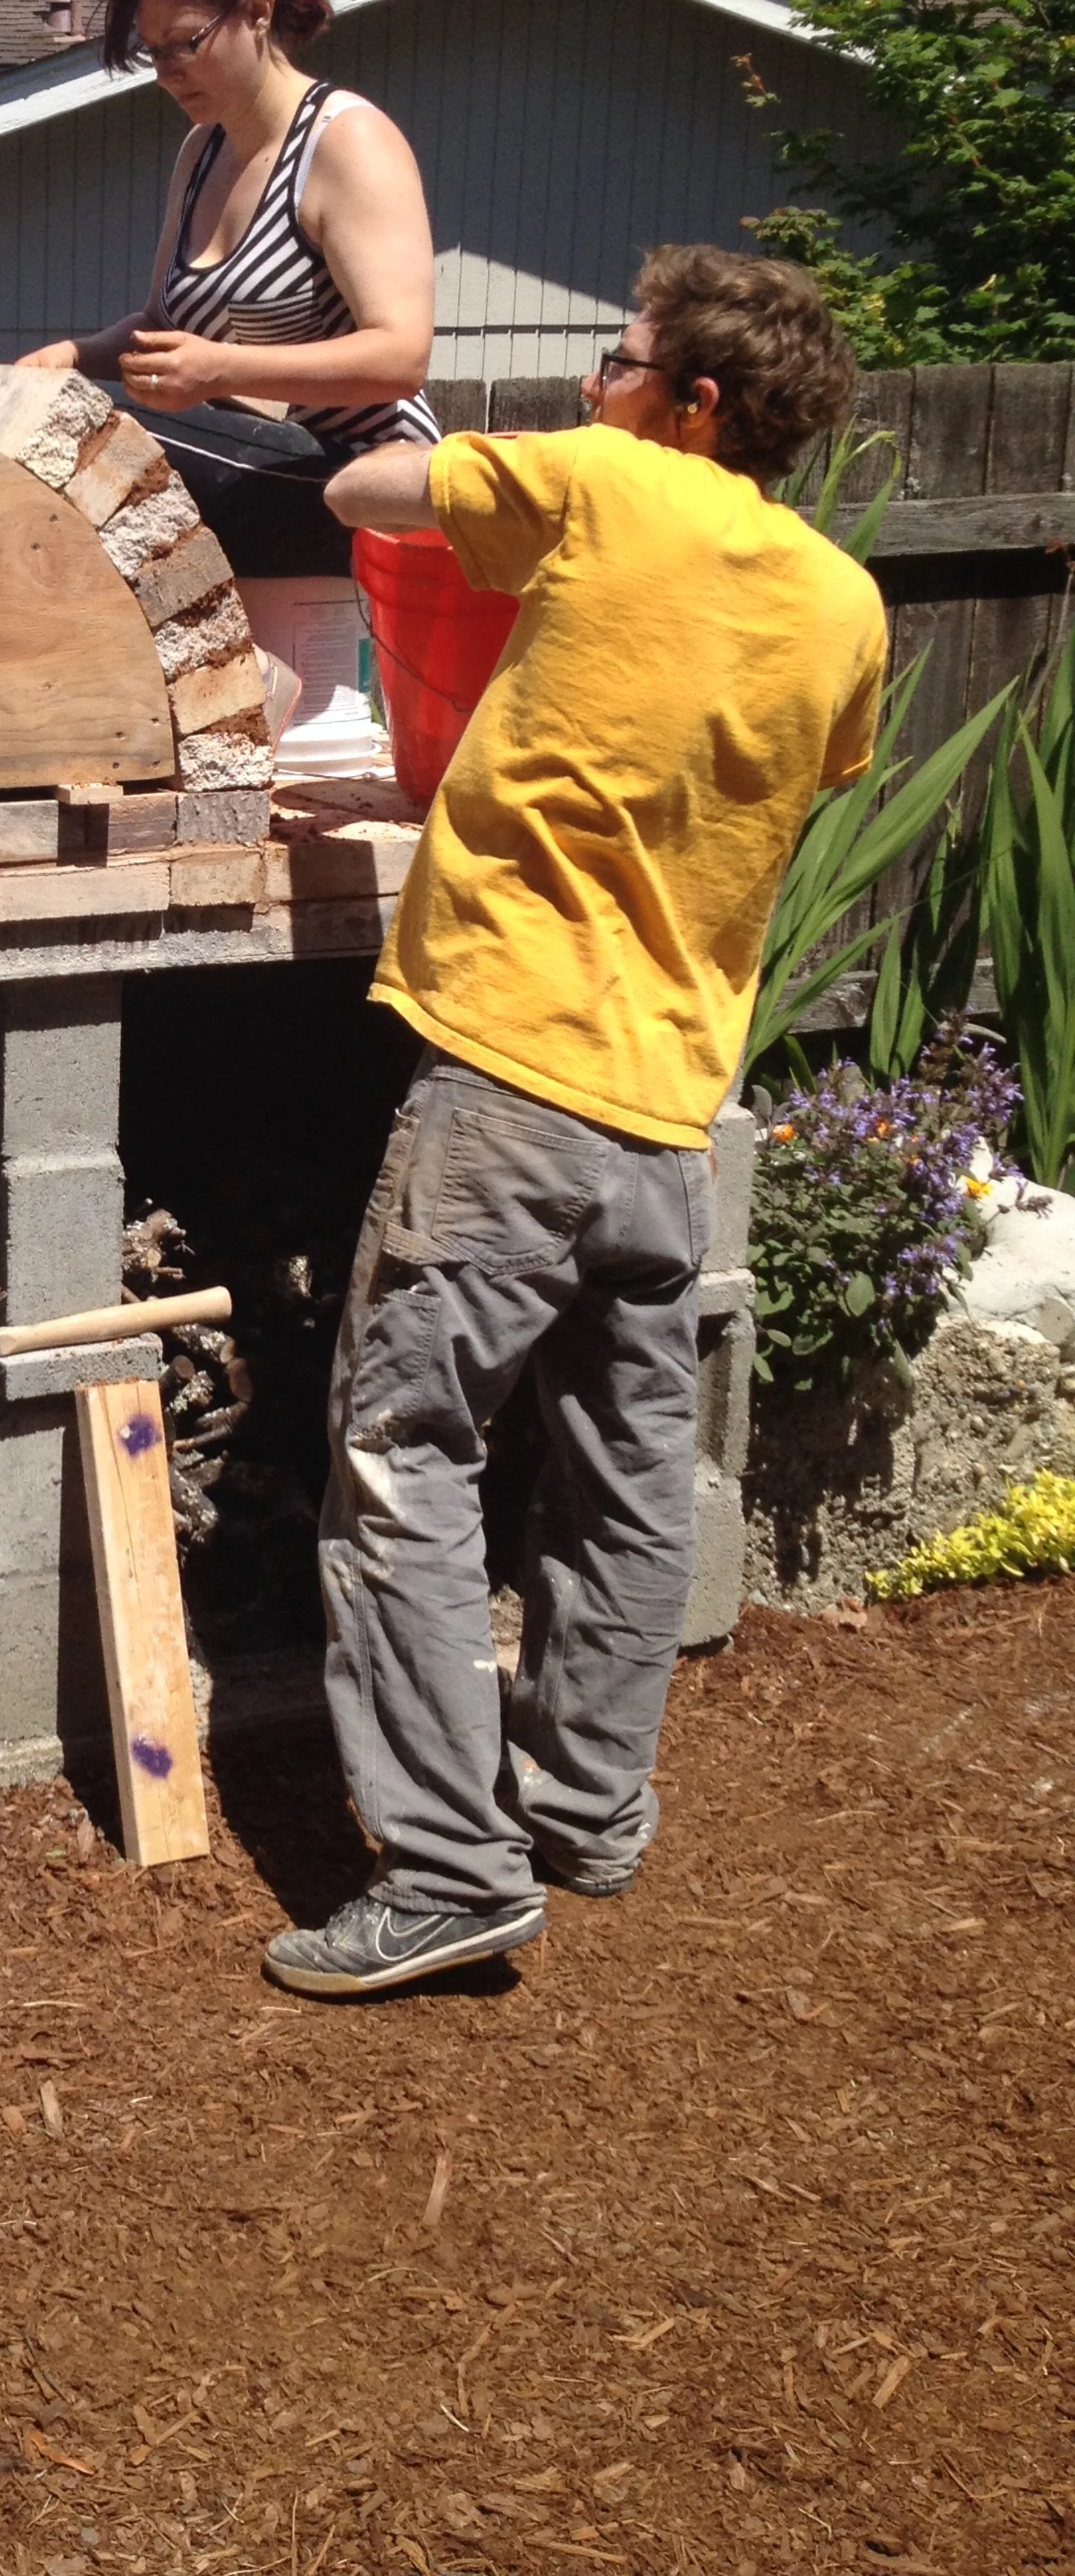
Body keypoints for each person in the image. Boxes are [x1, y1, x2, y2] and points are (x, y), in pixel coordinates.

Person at [266, 246, 885, 1998]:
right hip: (669, 1103)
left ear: (691, 403)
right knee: (625, 1471)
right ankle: (586, 1800)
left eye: (616, 361)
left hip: (510, 1080)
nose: (596, 383)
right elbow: (786, 767)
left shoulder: (606, 482)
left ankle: (450, 1867)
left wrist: (529, 454)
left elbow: (360, 480)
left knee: (407, 1456)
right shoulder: (844, 601)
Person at [19, 0, 439, 567]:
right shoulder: (201, 152)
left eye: (185, 45)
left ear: (259, 11)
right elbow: (162, 323)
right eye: (151, 54)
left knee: (113, 447)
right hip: (259, 470)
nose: (166, 76)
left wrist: (222, 370)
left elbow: (401, 357)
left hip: (367, 491)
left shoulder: (348, 142)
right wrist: (71, 357)